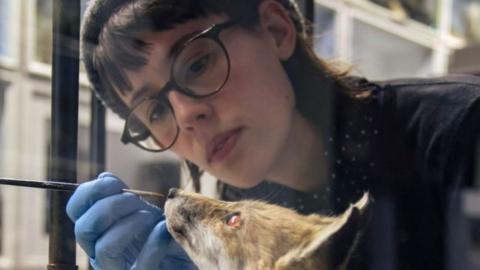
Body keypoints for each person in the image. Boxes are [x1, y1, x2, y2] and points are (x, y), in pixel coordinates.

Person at [66, 0, 480, 269]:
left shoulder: (459, 132)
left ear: (276, 30)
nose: (187, 114)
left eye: (196, 64)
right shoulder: (237, 207)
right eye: (155, 109)